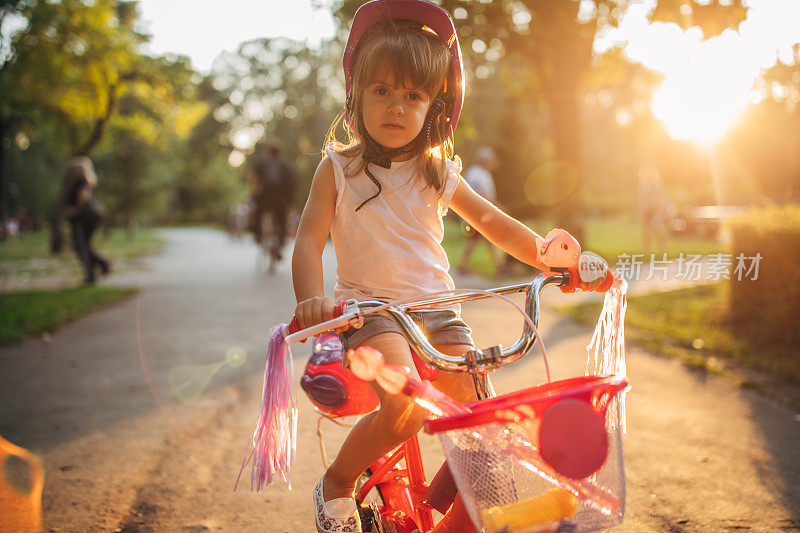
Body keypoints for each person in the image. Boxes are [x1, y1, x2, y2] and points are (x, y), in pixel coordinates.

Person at [290, 2, 603, 531]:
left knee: (478, 416)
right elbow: (307, 240)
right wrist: (311, 301)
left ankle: (472, 510)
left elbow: (496, 225)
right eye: (382, 91)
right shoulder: (337, 169)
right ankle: (337, 484)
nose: (396, 107)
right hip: (371, 312)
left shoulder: (435, 169)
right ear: (357, 95)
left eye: (413, 95)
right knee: (406, 405)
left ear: (434, 105)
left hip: (439, 312)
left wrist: (549, 259)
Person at [62, 157, 110, 284]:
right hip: (91, 217)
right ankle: (102, 265)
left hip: (83, 218)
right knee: (84, 245)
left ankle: (91, 274)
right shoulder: (90, 181)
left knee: (80, 245)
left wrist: (74, 211)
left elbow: (83, 197)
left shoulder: (80, 181)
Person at [248, 141, 297, 259]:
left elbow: (254, 179)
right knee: (282, 220)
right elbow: (292, 183)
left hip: (264, 197)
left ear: (268, 151)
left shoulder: (262, 163)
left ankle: (258, 235)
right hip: (281, 198)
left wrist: (253, 194)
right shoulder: (285, 165)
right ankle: (280, 242)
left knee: (257, 214)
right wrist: (290, 200)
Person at [458, 146, 499, 274]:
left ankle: (498, 264)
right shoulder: (476, 173)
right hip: (477, 213)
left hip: (482, 212)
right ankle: (499, 265)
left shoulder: (484, 173)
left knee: (482, 238)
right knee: (485, 237)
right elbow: (479, 192)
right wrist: (493, 206)